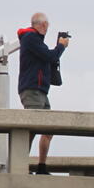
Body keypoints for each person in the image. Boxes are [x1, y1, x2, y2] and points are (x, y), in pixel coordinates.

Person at [17, 12, 69, 174]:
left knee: (48, 128)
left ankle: (41, 166)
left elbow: (48, 58)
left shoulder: (35, 40)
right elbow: (50, 57)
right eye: (47, 25)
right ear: (43, 25)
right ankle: (18, 166)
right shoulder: (30, 38)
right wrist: (61, 46)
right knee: (32, 128)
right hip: (33, 89)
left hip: (40, 91)